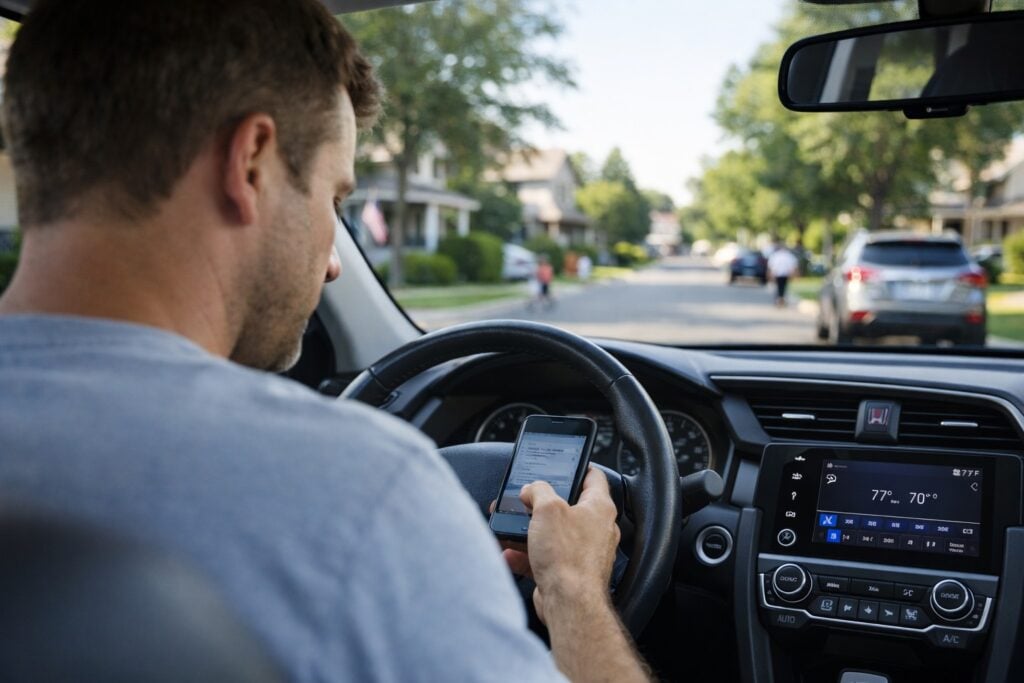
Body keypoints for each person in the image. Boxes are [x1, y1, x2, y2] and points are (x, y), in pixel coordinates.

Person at [0, 2, 650, 682]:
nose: (335, 259)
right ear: (250, 162)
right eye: (334, 199)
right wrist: (573, 590)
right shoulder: (362, 492)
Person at [767, 240, 799, 307]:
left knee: (779, 287)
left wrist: (770, 274)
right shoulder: (789, 256)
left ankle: (779, 299)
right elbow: (793, 266)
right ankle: (781, 299)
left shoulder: (776, 255)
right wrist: (793, 274)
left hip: (778, 274)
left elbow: (771, 266)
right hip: (785, 274)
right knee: (783, 287)